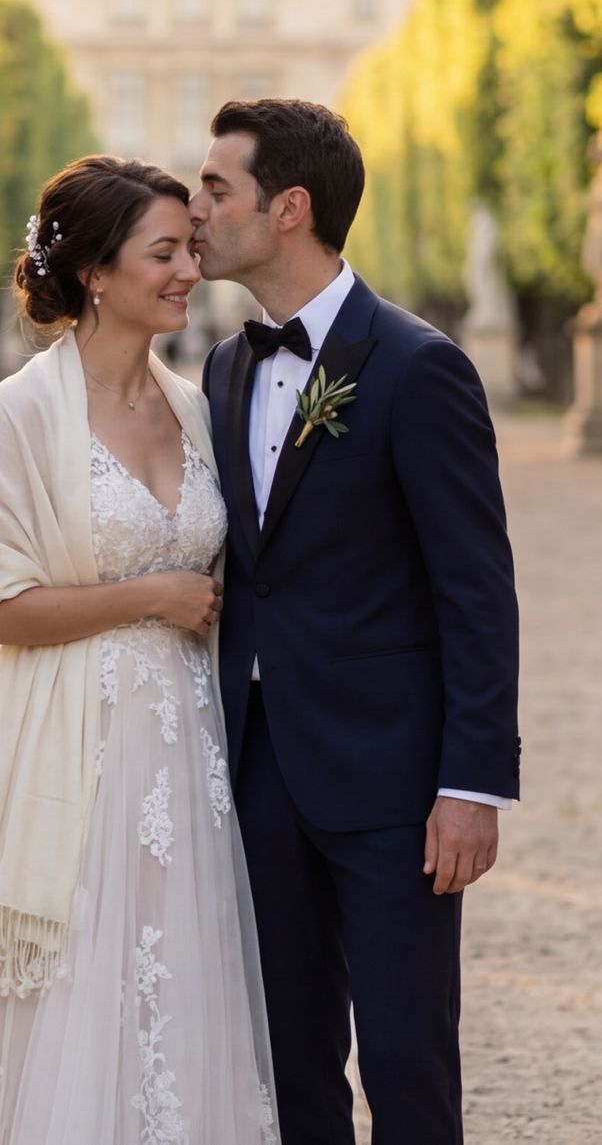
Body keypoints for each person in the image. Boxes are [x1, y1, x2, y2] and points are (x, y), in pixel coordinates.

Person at [0, 156, 281, 1144]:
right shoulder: (24, 411)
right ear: (93, 271)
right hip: (67, 742)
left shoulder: (196, 405)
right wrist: (151, 595)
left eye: (189, 250)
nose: (186, 271)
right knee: (68, 988)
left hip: (183, 753)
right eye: (162, 253)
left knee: (171, 982)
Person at [190, 98, 522, 1145]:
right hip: (258, 767)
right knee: (289, 1063)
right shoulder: (225, 367)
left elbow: (477, 592)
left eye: (215, 189)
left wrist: (472, 785)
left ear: (287, 209)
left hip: (393, 782)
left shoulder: (421, 369)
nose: (194, 207)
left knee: (406, 1056)